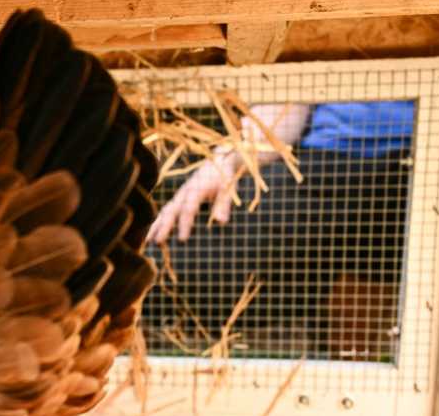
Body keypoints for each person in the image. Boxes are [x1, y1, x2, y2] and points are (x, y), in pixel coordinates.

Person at [144, 101, 415, 360]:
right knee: (151, 273)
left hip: (420, 169)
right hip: (326, 168)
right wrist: (227, 157)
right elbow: (291, 99)